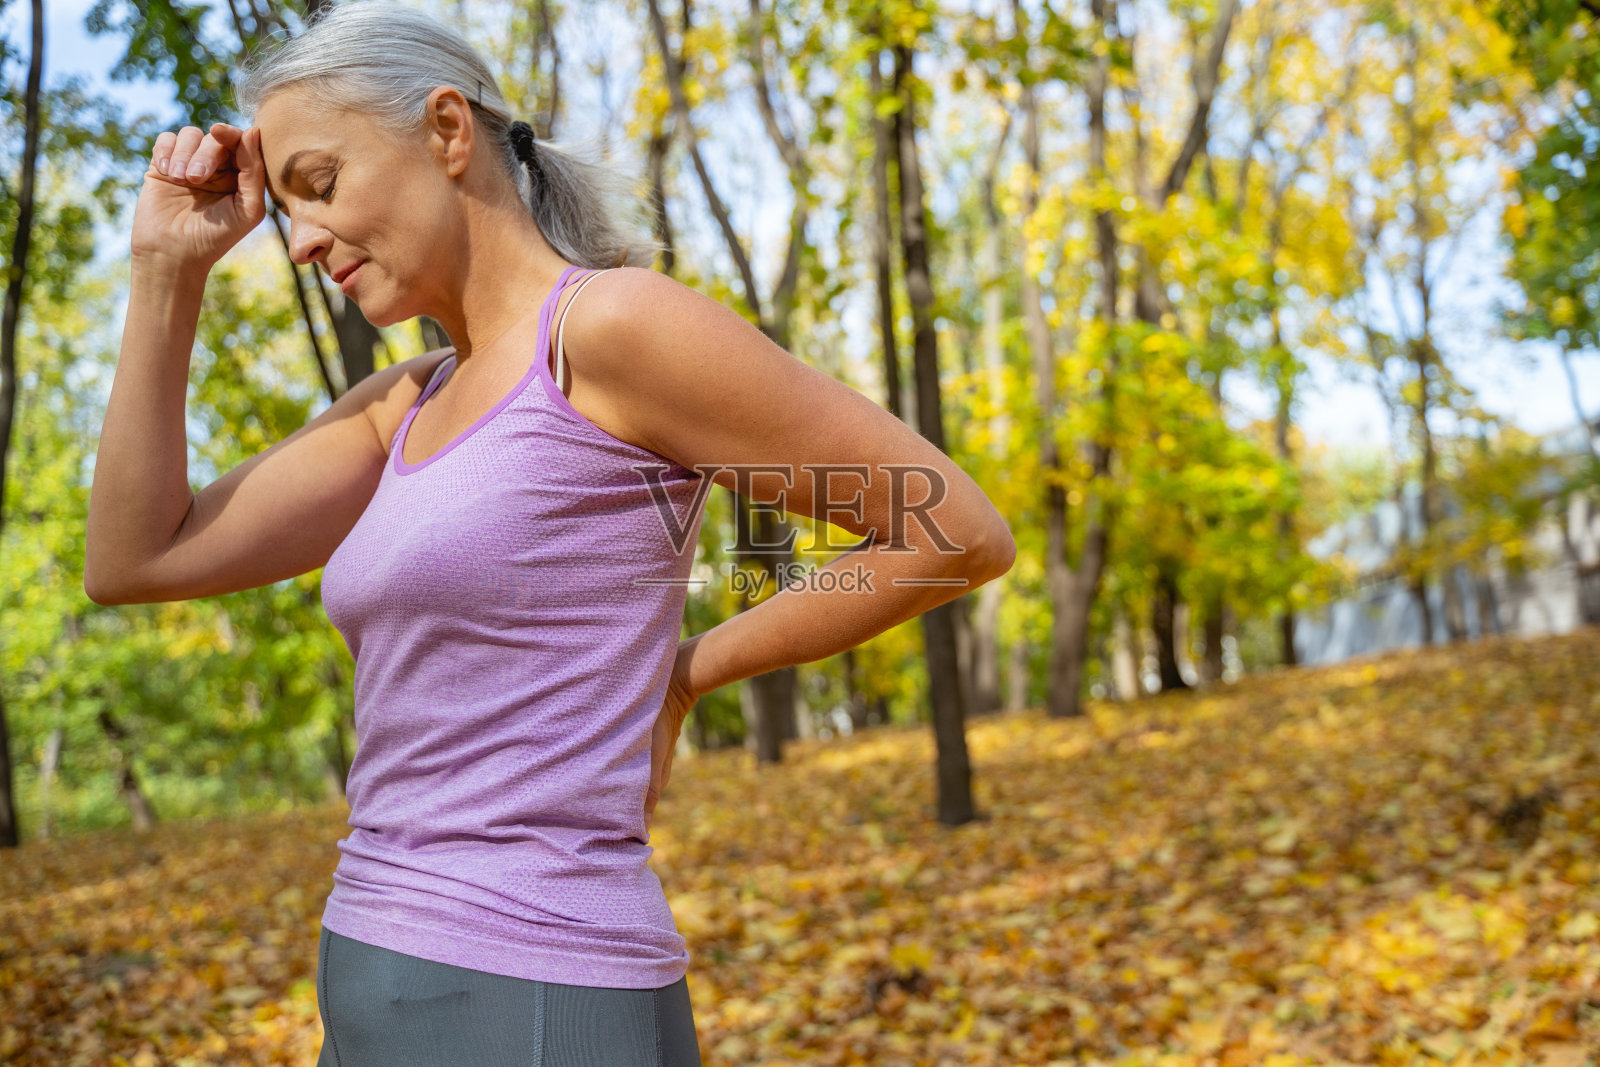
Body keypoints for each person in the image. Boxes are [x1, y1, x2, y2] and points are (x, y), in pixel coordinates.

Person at [84, 2, 1015, 1064]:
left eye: (321, 185)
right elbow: (133, 557)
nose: (299, 242)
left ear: (445, 131)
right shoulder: (404, 404)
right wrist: (167, 270)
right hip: (371, 964)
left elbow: (949, 531)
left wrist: (687, 669)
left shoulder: (607, 331)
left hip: (536, 983)